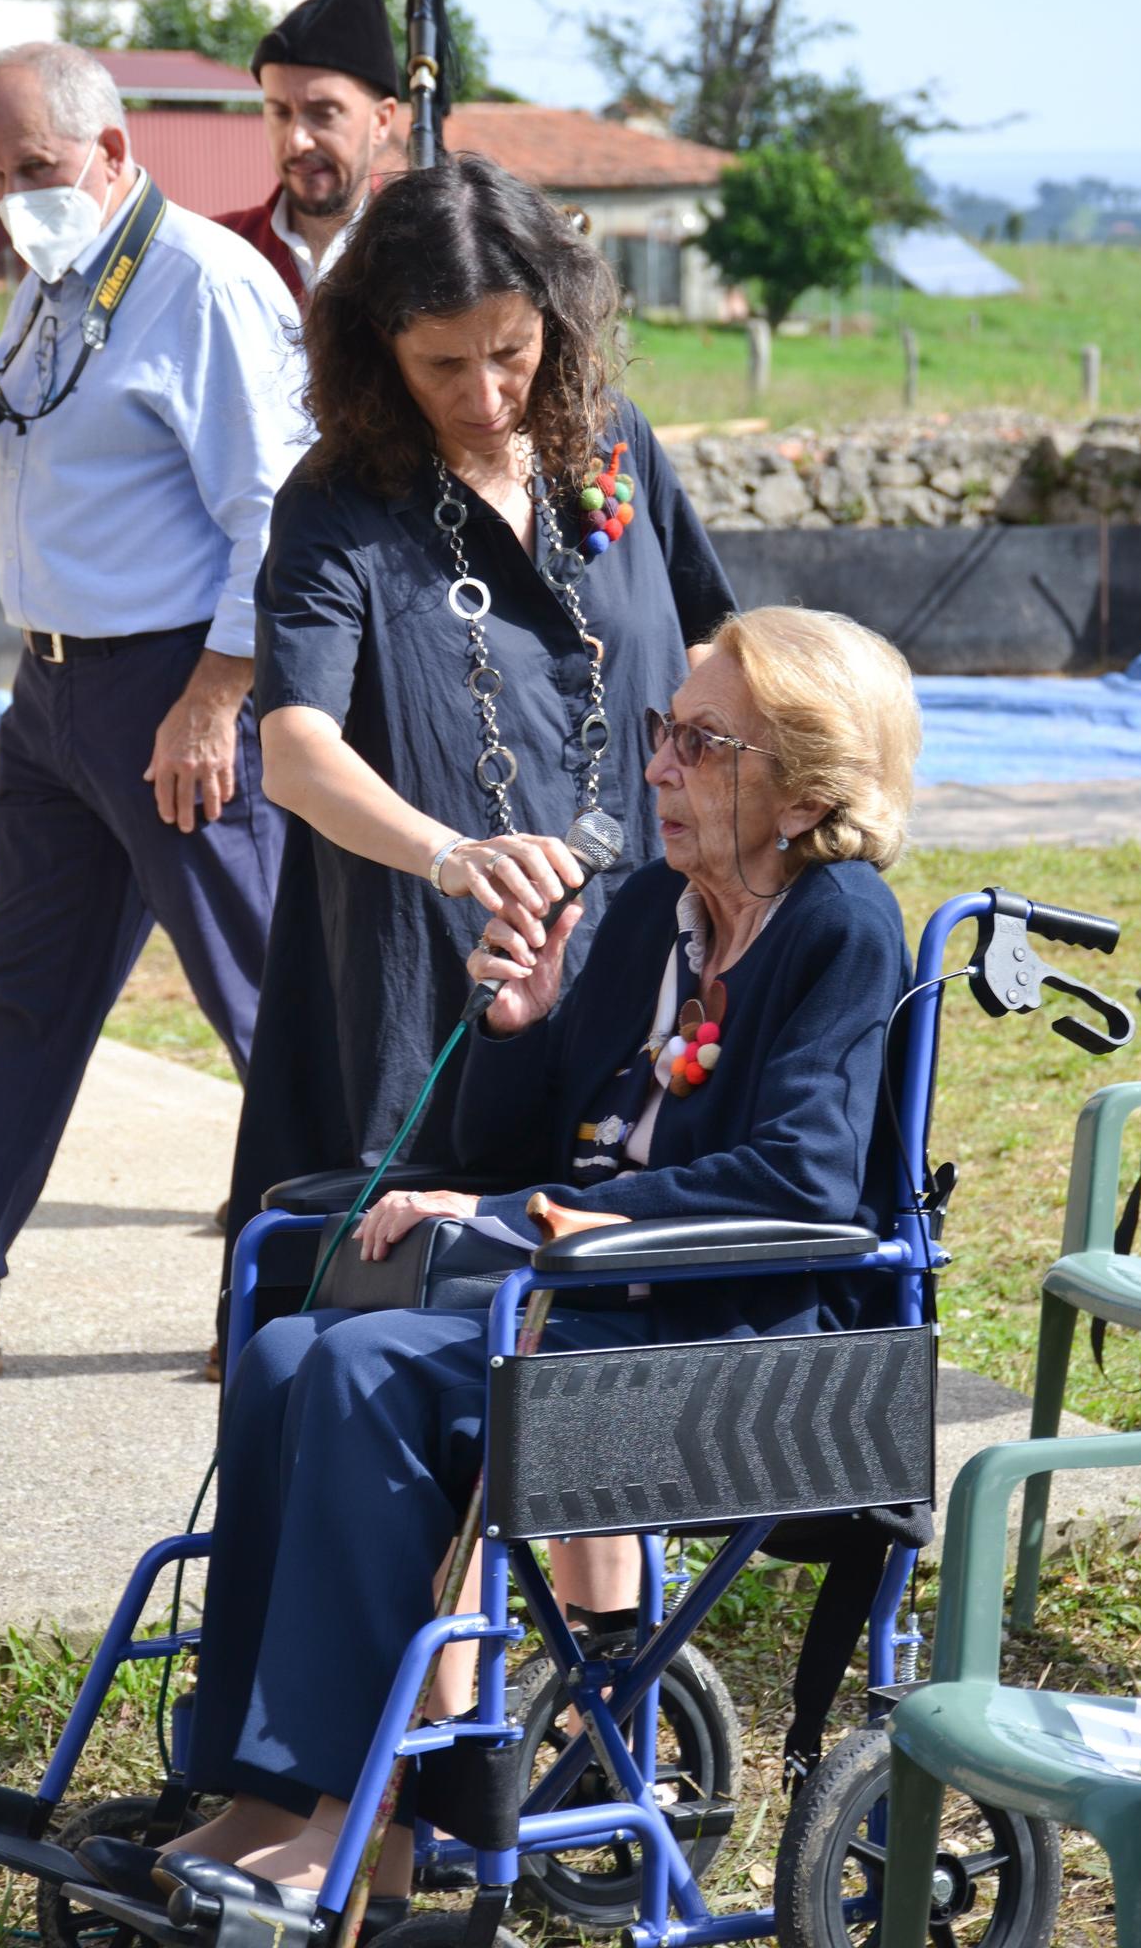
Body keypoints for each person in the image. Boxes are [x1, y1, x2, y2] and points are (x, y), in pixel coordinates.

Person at [77, 605, 921, 1911]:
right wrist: (520, 1028)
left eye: (701, 742)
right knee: (293, 1347)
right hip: (576, 1312)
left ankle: (375, 1827)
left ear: (806, 783)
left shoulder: (841, 924)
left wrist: (540, 1223)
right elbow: (513, 1144)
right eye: (663, 732)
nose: (656, 768)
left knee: (367, 1373)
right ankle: (266, 1789)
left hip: (724, 1349)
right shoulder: (648, 912)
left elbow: (804, 1180)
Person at [222, 153, 737, 1308]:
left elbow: (712, 643)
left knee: (618, 1268)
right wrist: (448, 854)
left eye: (512, 352)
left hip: (638, 929)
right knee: (411, 1298)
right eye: (443, 363)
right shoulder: (336, 505)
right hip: (434, 955)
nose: (488, 392)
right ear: (377, 349)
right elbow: (296, 748)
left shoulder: (613, 446)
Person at [0, 42, 303, 1382]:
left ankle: (292, 1302)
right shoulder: (47, 278)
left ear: (113, 153)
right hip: (51, 690)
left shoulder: (205, 284)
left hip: (174, 686)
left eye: (36, 171)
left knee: (270, 1007)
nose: (12, 199)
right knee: (18, 1003)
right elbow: (62, 466)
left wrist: (215, 698)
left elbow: (272, 512)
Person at [216, 0, 399, 303]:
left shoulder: (427, 252)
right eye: (281, 113)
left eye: (324, 112)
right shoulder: (218, 250)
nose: (297, 141)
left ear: (380, 121)